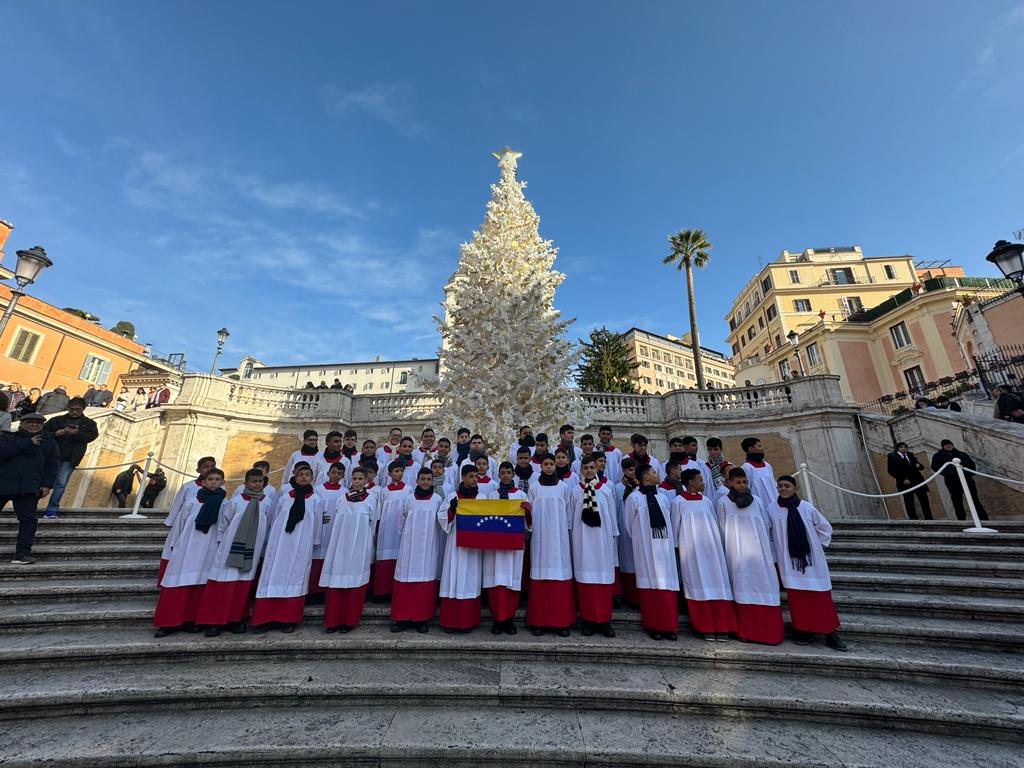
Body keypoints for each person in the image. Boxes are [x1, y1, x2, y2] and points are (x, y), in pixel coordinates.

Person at [770, 475, 847, 651]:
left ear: (795, 488)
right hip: (789, 562)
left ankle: (830, 633)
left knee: (820, 597)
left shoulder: (806, 508)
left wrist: (817, 547)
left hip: (811, 561)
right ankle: (804, 631)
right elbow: (770, 534)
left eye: (787, 486)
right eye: (780, 486)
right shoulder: (772, 509)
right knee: (798, 599)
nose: (783, 489)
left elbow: (825, 528)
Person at [195, 469, 272, 636]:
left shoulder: (267, 502)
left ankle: (235, 619)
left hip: (252, 549)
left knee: (241, 585)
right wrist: (221, 542)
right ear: (246, 483)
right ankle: (214, 621)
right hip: (230, 548)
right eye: (253, 481)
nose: (257, 484)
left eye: (260, 481)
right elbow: (224, 522)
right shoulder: (236, 500)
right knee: (222, 582)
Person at [153, 467, 228, 636]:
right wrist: (173, 545)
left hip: (208, 549)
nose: (214, 482)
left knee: (198, 584)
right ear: (203, 481)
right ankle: (168, 622)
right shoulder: (192, 502)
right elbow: (180, 525)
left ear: (223, 483)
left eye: (217, 480)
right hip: (186, 548)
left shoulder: (225, 504)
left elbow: (224, 527)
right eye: (210, 479)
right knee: (176, 583)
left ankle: (190, 619)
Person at [252, 464, 325, 633]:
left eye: (307, 475)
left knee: (295, 576)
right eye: (301, 475)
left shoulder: (316, 500)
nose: (304, 477)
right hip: (279, 543)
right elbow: (275, 517)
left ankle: (288, 618)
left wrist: (313, 543)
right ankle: (265, 617)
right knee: (272, 575)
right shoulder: (285, 497)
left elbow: (318, 524)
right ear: (295, 476)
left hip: (301, 544)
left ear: (312, 478)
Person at [716, 467, 783, 645]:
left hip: (760, 553)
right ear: (729, 483)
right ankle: (746, 631)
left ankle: (770, 633)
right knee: (742, 586)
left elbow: (766, 524)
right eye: (738, 482)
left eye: (744, 482)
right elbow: (722, 529)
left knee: (765, 585)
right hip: (736, 553)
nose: (742, 485)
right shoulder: (724, 502)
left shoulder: (758, 502)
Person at [673, 469, 736, 642]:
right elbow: (675, 527)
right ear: (691, 482)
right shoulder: (679, 501)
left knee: (718, 581)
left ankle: (723, 626)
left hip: (712, 549)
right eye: (700, 480)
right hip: (691, 550)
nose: (703, 482)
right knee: (697, 582)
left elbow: (714, 522)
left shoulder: (707, 500)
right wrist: (677, 548)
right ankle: (705, 626)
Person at [320, 466, 378, 633]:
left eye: (361, 479)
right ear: (351, 480)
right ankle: (332, 620)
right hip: (341, 544)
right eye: (355, 479)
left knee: (355, 582)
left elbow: (373, 523)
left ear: (366, 481)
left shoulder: (370, 499)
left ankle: (349, 620)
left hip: (360, 544)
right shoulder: (342, 498)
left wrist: (368, 543)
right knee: (336, 580)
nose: (358, 481)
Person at [625, 464, 679, 641]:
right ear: (646, 477)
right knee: (650, 585)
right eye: (654, 472)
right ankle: (653, 625)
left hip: (664, 546)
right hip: (646, 547)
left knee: (666, 584)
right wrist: (642, 540)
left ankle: (669, 625)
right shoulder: (634, 499)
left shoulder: (662, 497)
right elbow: (629, 524)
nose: (658, 474)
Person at [569, 454, 618, 638]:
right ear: (581, 469)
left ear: (597, 468)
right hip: (582, 539)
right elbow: (571, 518)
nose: (589, 470)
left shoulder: (606, 489)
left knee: (603, 580)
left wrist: (613, 538)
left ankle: (604, 620)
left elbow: (612, 517)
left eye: (592, 467)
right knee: (586, 580)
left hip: (602, 540)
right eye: (586, 468)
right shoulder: (575, 491)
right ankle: (589, 620)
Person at [526, 454, 575, 637]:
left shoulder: (563, 487)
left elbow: (569, 514)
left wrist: (568, 533)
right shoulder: (534, 488)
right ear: (541, 467)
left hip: (560, 538)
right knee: (541, 575)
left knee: (560, 575)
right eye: (545, 464)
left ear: (556, 466)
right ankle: (539, 621)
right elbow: (528, 516)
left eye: (551, 464)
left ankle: (562, 622)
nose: (548, 467)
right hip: (540, 538)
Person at [0, 412, 58, 564]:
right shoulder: (8, 437)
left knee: (28, 521)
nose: (34, 425)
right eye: (30, 422)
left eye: (38, 423)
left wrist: (47, 484)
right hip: (3, 483)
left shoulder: (48, 442)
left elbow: (52, 465)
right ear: (21, 423)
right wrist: (28, 443)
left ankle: (22, 554)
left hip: (29, 486)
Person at [391, 467, 444, 633]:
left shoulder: (436, 499)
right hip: (409, 545)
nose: (426, 482)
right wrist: (404, 537)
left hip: (428, 546)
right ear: (417, 480)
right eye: (423, 479)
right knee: (405, 579)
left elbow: (441, 522)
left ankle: (422, 618)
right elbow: (401, 520)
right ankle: (403, 618)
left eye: (429, 479)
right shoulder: (408, 499)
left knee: (424, 581)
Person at [481, 462, 530, 635]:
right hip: (495, 546)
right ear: (499, 475)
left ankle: (509, 618)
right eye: (503, 473)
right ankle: (497, 619)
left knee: (511, 581)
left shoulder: (521, 494)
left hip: (513, 546)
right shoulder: (490, 495)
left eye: (509, 472)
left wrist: (528, 512)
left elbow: (528, 524)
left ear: (513, 474)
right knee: (496, 582)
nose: (506, 475)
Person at [438, 465, 485, 633]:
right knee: (453, 579)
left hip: (473, 548)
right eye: (471, 476)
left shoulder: (482, 498)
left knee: (469, 582)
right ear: (462, 477)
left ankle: (468, 621)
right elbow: (442, 518)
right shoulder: (452, 496)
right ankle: (450, 622)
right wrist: (452, 509)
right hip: (455, 545)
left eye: (476, 476)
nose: (474, 479)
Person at [158, 456, 217, 585]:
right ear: (198, 470)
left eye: (212, 466)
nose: (209, 469)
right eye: (206, 467)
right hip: (184, 525)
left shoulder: (219, 490)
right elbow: (178, 505)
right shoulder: (188, 486)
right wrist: (171, 522)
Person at [41, 397, 99, 518]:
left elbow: (90, 437)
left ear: (83, 409)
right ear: (68, 408)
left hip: (70, 458)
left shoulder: (90, 424)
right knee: (40, 481)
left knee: (61, 484)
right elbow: (42, 433)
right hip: (50, 456)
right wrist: (58, 433)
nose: (74, 412)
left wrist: (77, 433)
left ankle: (52, 509)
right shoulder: (56, 420)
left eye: (78, 410)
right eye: (72, 409)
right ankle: (30, 505)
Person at [374, 459, 412, 601]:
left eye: (401, 471)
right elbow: (379, 511)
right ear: (389, 473)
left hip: (401, 529)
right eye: (396, 471)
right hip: (386, 528)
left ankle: (397, 590)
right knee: (384, 558)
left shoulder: (408, 489)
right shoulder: (384, 491)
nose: (399, 473)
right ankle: (383, 591)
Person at [931, 440, 989, 521]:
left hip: (967, 480)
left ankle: (984, 519)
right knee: (957, 502)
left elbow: (971, 465)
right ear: (943, 446)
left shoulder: (961, 454)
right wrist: (950, 473)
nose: (948, 446)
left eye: (950, 444)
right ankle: (962, 520)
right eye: (946, 445)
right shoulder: (938, 456)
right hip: (952, 482)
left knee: (975, 500)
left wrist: (965, 473)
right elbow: (935, 467)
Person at [615, 457, 640, 607]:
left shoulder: (640, 487)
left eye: (635, 469)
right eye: (630, 470)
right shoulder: (618, 488)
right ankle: (629, 595)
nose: (633, 472)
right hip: (624, 528)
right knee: (627, 560)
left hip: (638, 529)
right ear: (623, 471)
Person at [886, 442, 932, 520]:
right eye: (901, 447)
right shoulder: (892, 457)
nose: (903, 448)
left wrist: (918, 465)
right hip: (905, 483)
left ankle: (929, 518)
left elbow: (921, 467)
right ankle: (913, 520)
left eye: (905, 447)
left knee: (924, 501)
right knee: (909, 502)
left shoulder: (910, 455)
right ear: (898, 448)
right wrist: (902, 479)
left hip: (917, 481)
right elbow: (891, 471)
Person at [740, 437, 777, 515]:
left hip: (775, 502)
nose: (762, 448)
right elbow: (747, 488)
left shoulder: (767, 465)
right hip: (760, 505)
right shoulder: (746, 468)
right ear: (750, 449)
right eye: (759, 446)